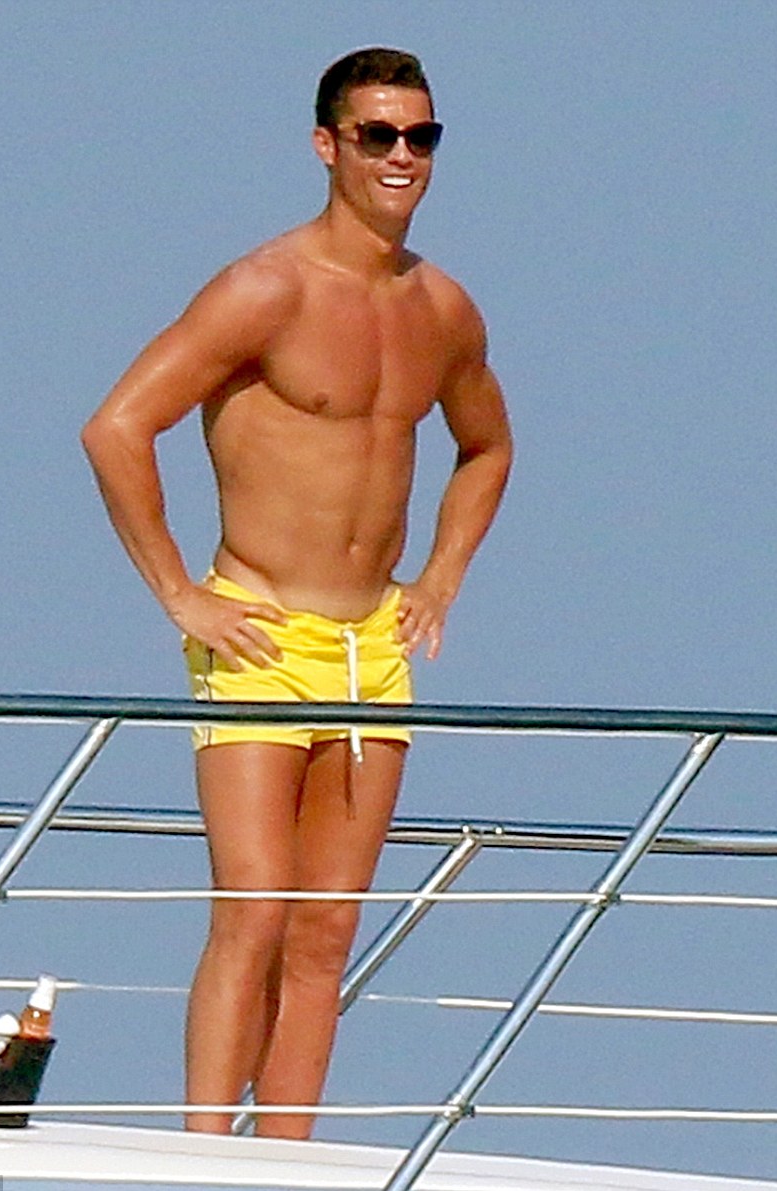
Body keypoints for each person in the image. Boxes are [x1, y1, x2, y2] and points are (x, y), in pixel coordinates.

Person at [81, 47, 512, 1139]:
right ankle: (203, 1153)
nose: (402, 156)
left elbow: (488, 446)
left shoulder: (442, 307)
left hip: (373, 645)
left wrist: (442, 576)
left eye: (420, 136)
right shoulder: (265, 288)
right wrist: (179, 594)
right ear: (329, 146)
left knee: (324, 932)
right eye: (378, 135)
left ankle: (287, 1160)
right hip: (260, 632)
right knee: (255, 906)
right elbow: (117, 426)